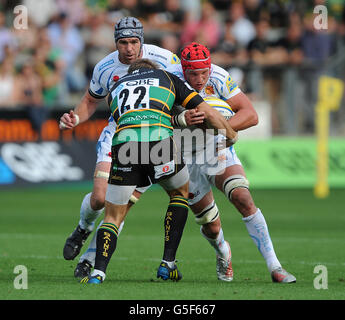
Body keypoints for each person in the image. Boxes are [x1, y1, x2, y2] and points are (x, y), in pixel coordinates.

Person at [79, 58, 238, 284]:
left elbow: (128, 118)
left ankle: (98, 273)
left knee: (113, 216)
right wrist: (230, 134)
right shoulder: (167, 78)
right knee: (180, 193)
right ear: (153, 71)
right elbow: (207, 111)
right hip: (159, 142)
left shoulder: (115, 87)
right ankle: (167, 263)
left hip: (126, 145)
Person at [59, 16, 181, 277]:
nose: (128, 48)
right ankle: (82, 228)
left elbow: (183, 89)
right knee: (99, 198)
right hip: (118, 132)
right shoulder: (105, 67)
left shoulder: (167, 60)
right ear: (116, 43)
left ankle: (90, 260)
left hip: (153, 135)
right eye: (123, 43)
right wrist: (76, 118)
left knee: (120, 204)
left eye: (133, 42)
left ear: (142, 41)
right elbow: (91, 100)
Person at [166, 42, 296, 283]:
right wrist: (181, 119)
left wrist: (219, 127)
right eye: (193, 73)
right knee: (210, 226)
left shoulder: (218, 77)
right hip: (184, 156)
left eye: (203, 72)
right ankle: (223, 251)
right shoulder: (170, 81)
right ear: (183, 69)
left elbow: (250, 114)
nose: (199, 78)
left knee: (242, 197)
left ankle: (275, 266)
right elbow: (156, 120)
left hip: (216, 148)